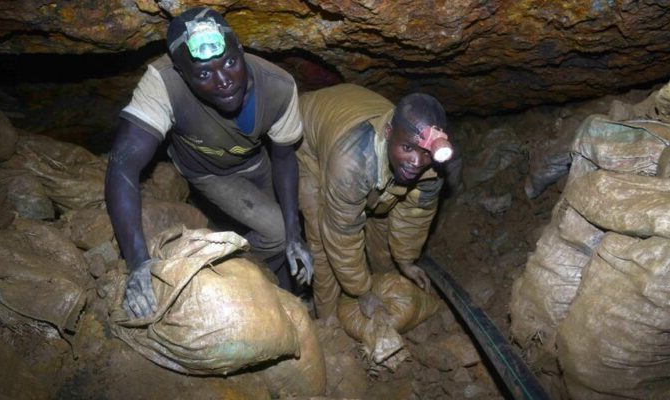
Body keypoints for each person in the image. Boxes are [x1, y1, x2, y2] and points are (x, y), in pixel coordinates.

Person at [105, 7, 313, 319]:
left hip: (257, 161)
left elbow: (284, 157)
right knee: (275, 231)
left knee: (287, 235)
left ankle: (283, 297)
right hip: (209, 171)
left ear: (240, 50)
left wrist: (296, 237)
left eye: (231, 62)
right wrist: (138, 263)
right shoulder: (164, 83)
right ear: (181, 72)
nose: (224, 81)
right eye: (203, 74)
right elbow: (123, 164)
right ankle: (232, 278)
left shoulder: (278, 87)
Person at [296, 83, 454, 320]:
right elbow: (341, 233)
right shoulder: (350, 163)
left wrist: (405, 260)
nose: (417, 161)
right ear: (389, 133)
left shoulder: (431, 168)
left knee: (381, 218)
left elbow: (415, 215)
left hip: (358, 128)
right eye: (408, 148)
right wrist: (361, 291)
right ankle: (329, 325)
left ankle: (381, 281)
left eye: (426, 153)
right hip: (310, 142)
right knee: (323, 242)